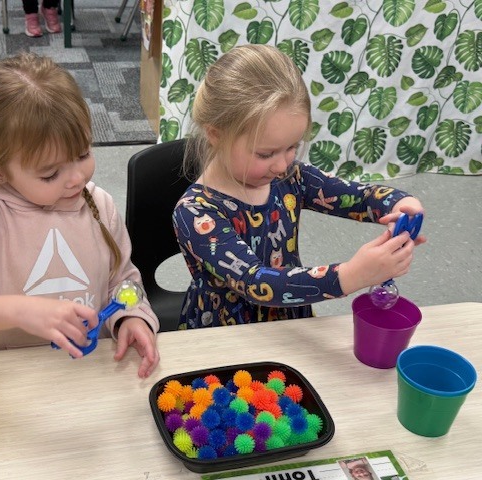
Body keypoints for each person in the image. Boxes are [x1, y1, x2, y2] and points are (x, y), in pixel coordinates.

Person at [0, 52, 160, 378]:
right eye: (49, 174)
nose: (77, 178)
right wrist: (21, 310)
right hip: (11, 381)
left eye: (83, 154)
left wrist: (132, 316)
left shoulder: (98, 204)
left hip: (91, 372)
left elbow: (122, 281)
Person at [172, 44, 426, 329]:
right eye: (266, 154)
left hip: (290, 319)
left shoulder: (290, 176)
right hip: (227, 335)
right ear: (216, 135)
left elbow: (356, 197)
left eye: (291, 147)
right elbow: (256, 282)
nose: (281, 165)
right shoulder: (194, 213)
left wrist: (397, 202)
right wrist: (352, 274)